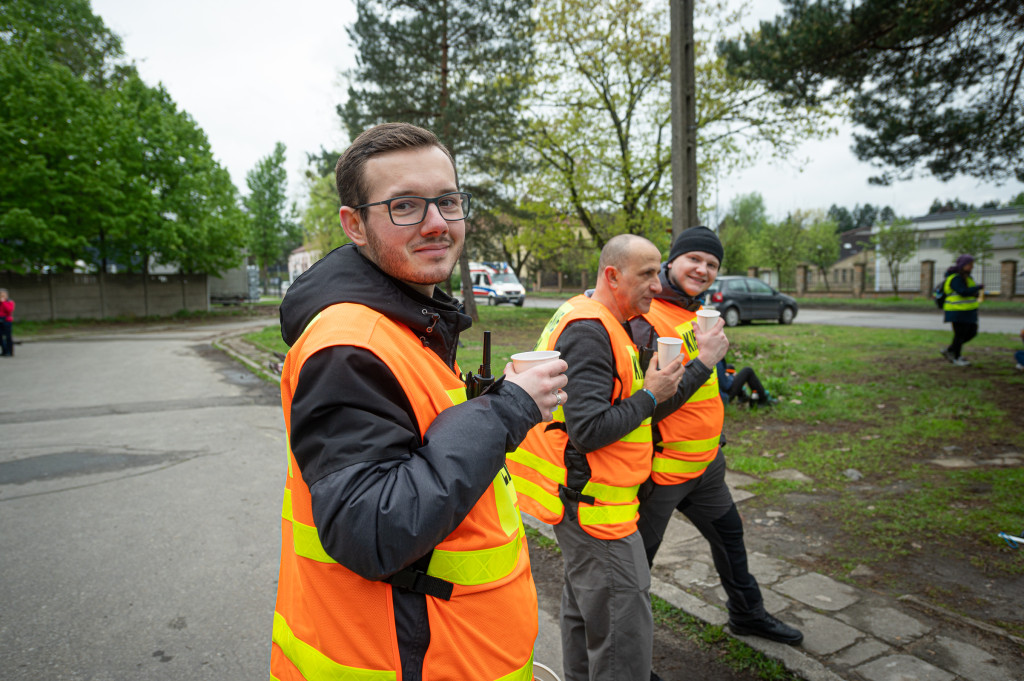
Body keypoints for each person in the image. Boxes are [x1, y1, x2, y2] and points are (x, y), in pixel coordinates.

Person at [271, 122, 568, 681]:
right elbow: (372, 528)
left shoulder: (410, 322)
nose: (437, 224)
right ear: (354, 224)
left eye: (448, 201)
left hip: (457, 652)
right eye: (404, 206)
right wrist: (507, 409)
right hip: (403, 662)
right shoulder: (348, 345)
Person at [508, 235, 686, 681]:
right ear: (613, 275)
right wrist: (650, 393)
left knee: (586, 615)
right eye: (647, 273)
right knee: (622, 635)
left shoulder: (598, 318)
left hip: (590, 501)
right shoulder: (590, 331)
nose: (658, 285)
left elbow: (608, 409)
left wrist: (656, 390)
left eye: (657, 271)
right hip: (596, 510)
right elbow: (588, 431)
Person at [632, 226, 804, 646]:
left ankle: (747, 614)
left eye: (712, 264)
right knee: (634, 573)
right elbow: (651, 402)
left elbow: (707, 390)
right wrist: (707, 361)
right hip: (660, 475)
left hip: (705, 467)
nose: (703, 269)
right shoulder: (647, 318)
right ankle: (627, 663)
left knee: (730, 539)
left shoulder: (695, 314)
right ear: (671, 262)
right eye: (694, 259)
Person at [940, 254, 984, 367]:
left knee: (972, 332)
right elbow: (962, 291)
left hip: (968, 311)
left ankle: (951, 350)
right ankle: (956, 357)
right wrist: (977, 287)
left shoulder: (968, 277)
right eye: (969, 264)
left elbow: (969, 292)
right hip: (957, 310)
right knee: (960, 334)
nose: (971, 267)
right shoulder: (955, 278)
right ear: (962, 265)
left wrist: (975, 292)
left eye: (972, 264)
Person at [0, 288, 13, 357]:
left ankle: (9, 352)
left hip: (7, 321)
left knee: (8, 337)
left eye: (3, 295)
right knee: (0, 337)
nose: (2, 297)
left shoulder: (9, 302)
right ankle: (4, 350)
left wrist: (4, 302)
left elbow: (9, 310)